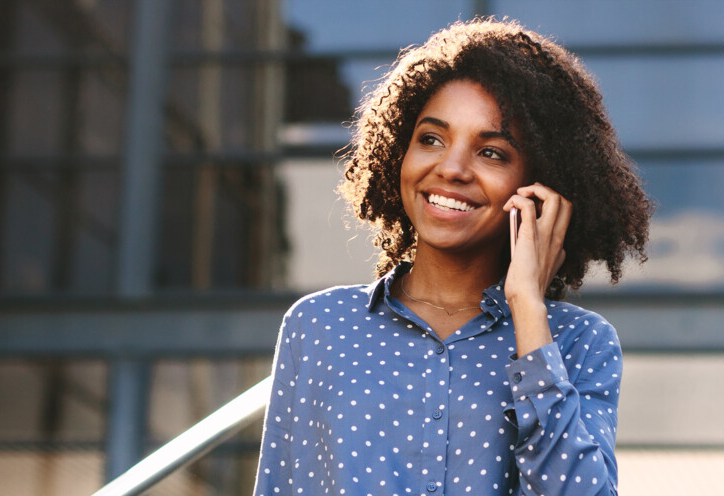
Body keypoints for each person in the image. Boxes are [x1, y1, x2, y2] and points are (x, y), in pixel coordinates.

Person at [253, 18, 651, 496]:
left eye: (491, 152)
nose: (452, 168)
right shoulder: (319, 327)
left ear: (540, 183)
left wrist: (527, 306)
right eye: (432, 139)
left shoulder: (579, 343)